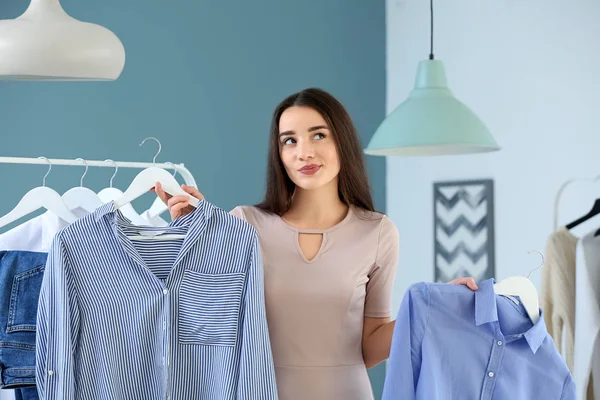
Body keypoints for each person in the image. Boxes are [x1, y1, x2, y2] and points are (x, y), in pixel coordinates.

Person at [153, 87, 478, 399]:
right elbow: (209, 321)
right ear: (278, 153)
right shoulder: (243, 224)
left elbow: (369, 347)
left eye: (318, 135)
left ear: (343, 141)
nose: (303, 152)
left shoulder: (378, 232)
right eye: (289, 141)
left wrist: (430, 309)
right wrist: (196, 233)